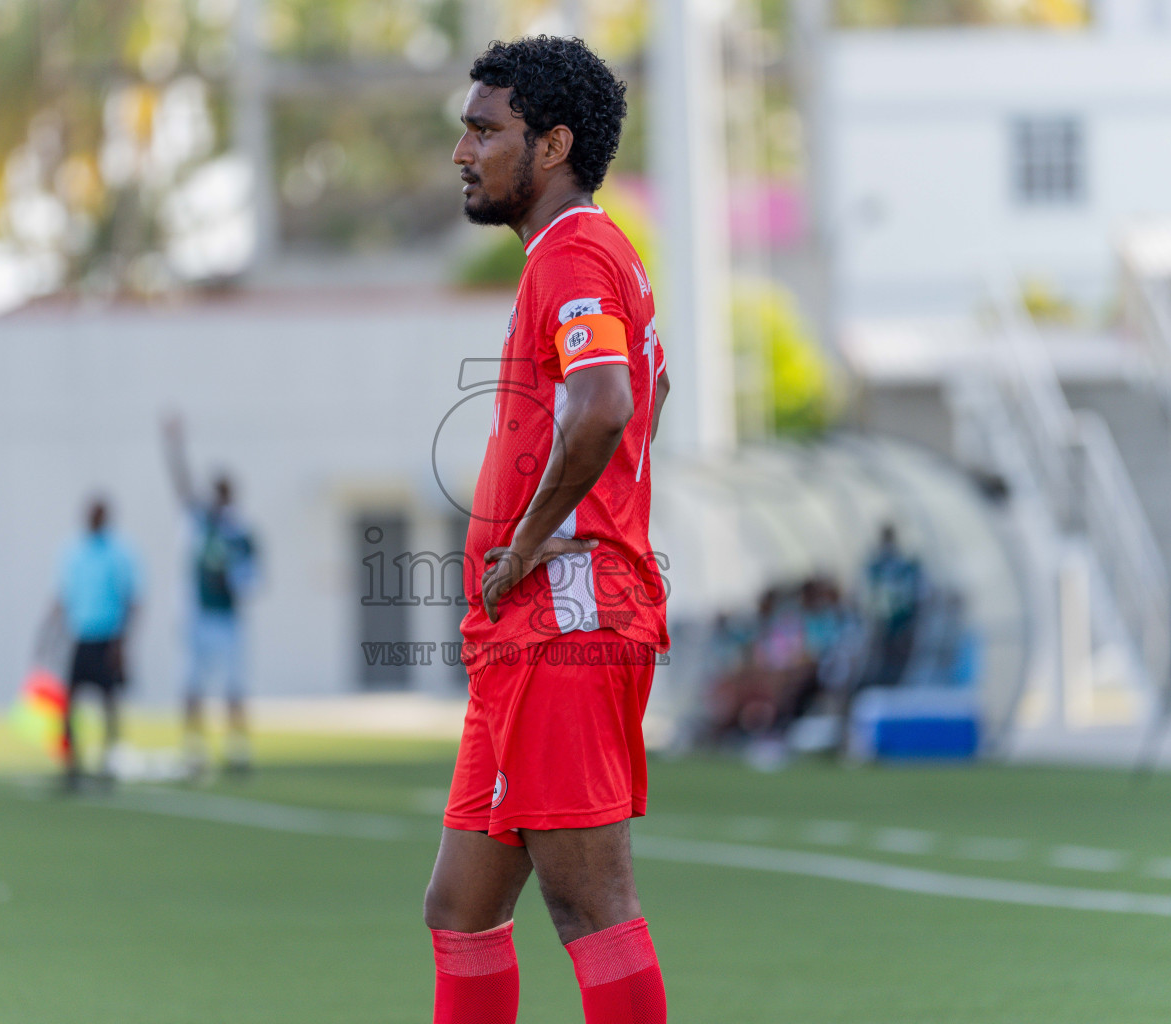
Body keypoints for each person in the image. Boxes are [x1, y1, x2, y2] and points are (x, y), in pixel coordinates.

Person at [423, 37, 671, 1024]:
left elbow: (608, 401)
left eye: (485, 130)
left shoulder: (572, 252)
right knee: (461, 906)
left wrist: (527, 543)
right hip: (525, 629)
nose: (463, 152)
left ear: (554, 144)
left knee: (591, 906)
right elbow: (650, 389)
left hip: (562, 621)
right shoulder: (589, 254)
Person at [162, 414, 261, 776]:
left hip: (227, 618)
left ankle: (237, 749)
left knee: (234, 685)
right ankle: (194, 748)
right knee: (192, 684)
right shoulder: (200, 522)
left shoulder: (241, 533)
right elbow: (182, 486)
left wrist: (230, 581)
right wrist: (174, 445)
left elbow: (252, 579)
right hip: (197, 616)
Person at [50, 497, 140, 790]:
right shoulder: (75, 552)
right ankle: (72, 764)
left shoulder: (119, 553)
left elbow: (132, 597)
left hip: (107, 637)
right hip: (82, 636)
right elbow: (63, 596)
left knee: (109, 703)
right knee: (69, 702)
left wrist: (122, 642)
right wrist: (50, 636)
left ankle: (108, 762)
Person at [863, 523, 926, 690]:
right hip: (883, 617)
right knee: (884, 652)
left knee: (898, 653)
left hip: (900, 616)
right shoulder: (876, 565)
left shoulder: (901, 564)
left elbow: (911, 591)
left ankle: (896, 684)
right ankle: (884, 683)